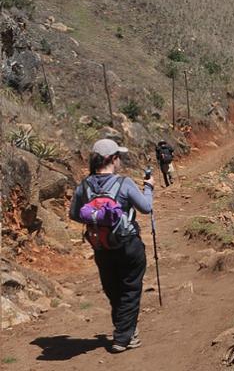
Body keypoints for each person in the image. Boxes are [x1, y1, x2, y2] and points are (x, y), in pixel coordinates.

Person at [69, 138, 154, 353]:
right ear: (113, 159)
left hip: (101, 247)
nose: (120, 161)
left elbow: (74, 214)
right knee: (130, 289)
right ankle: (123, 338)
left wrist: (97, 219)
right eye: (119, 157)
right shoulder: (124, 183)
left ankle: (125, 330)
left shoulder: (85, 186)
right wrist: (149, 188)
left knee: (113, 290)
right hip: (128, 245)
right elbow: (146, 207)